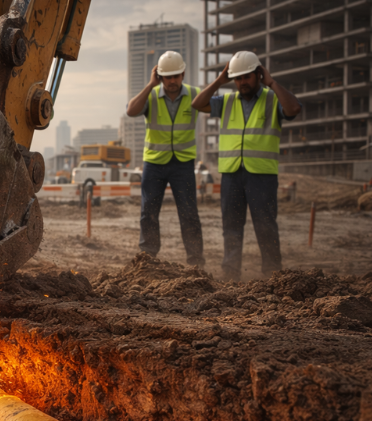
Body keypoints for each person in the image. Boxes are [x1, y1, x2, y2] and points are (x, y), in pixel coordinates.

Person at [191, 51, 301, 280]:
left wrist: (272, 83)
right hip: (231, 174)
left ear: (258, 75)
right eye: (237, 78)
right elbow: (197, 104)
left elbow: (293, 109)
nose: (242, 82)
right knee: (231, 227)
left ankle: (273, 272)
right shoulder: (227, 101)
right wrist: (219, 81)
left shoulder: (273, 98)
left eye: (247, 77)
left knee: (266, 226)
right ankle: (231, 272)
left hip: (262, 174)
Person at [126, 50, 205, 267]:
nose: (172, 81)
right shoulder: (150, 95)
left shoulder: (195, 94)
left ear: (183, 74)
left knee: (189, 213)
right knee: (148, 211)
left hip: (183, 164)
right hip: (154, 163)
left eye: (176, 76)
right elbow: (131, 111)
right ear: (160, 76)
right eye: (167, 77)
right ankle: (148, 258)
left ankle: (196, 261)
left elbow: (214, 105)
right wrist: (150, 85)